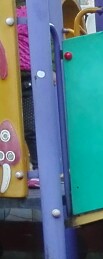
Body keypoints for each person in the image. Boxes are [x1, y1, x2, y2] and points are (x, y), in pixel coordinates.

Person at [15, 2, 38, 186]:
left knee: (31, 127)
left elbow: (46, 40)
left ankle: (38, 169)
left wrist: (52, 68)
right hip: (7, 76)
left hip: (28, 74)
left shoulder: (32, 9)